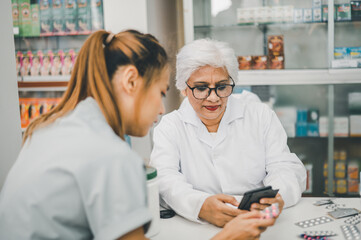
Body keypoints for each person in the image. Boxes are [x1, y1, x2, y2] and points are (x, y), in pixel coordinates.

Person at [0, 30, 274, 240]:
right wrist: (227, 237)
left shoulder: (51, 127)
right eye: (160, 93)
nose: (161, 108)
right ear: (131, 81)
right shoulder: (108, 155)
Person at [150, 38, 307, 227]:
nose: (214, 98)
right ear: (184, 88)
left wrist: (278, 195)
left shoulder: (259, 115)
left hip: (259, 222)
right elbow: (165, 180)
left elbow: (284, 166)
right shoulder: (171, 127)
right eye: (201, 88)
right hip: (199, 228)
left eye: (222, 87)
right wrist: (200, 206)